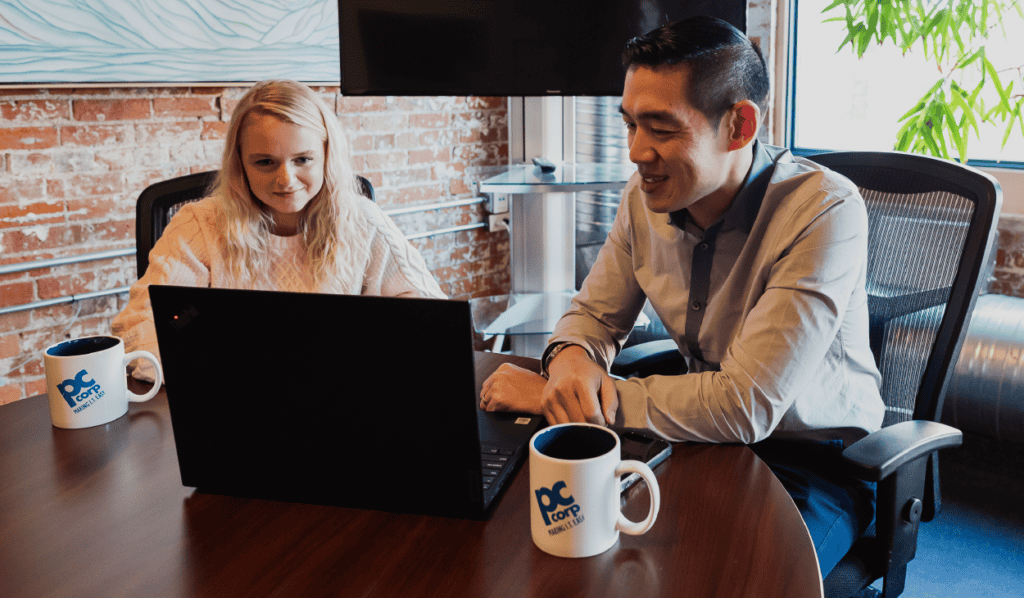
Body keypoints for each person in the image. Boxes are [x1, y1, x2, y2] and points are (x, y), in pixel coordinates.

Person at [479, 17, 885, 577]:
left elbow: (747, 405)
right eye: (630, 125)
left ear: (739, 126)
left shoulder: (824, 211)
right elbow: (593, 316)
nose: (636, 152)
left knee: (735, 580)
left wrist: (572, 399)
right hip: (700, 439)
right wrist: (569, 364)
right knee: (581, 547)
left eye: (661, 128)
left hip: (812, 461)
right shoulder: (644, 198)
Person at [112, 80, 445, 381]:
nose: (286, 179)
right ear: (239, 162)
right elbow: (140, 331)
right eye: (265, 162)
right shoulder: (199, 225)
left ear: (327, 155)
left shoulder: (364, 222)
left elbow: (433, 320)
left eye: (303, 159)